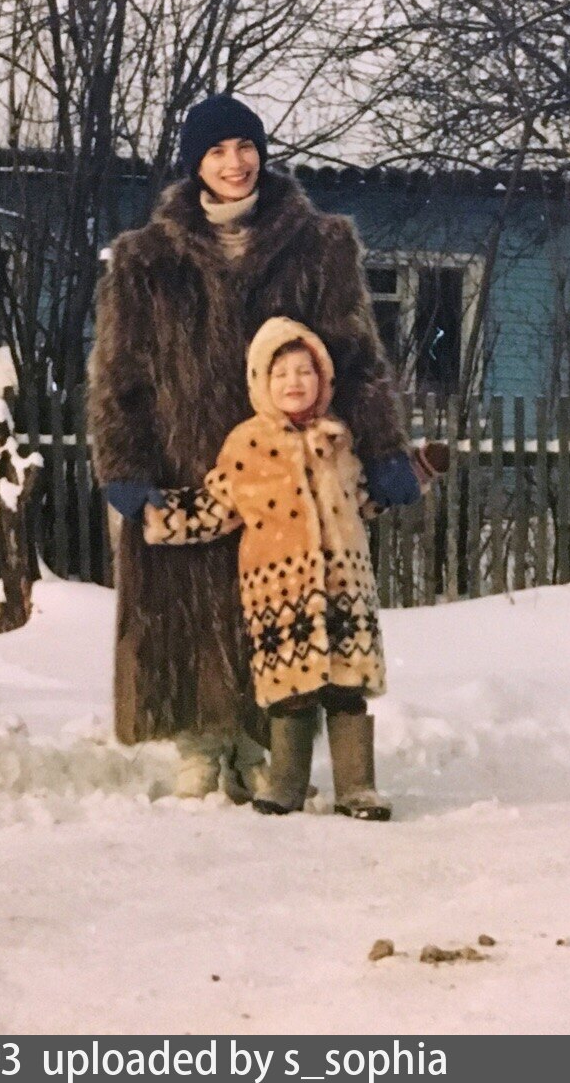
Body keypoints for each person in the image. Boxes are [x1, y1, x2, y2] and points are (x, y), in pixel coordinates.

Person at [86, 93, 418, 800]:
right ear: (195, 164)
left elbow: (355, 356)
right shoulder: (147, 258)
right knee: (185, 601)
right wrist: (123, 464)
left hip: (287, 466)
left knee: (276, 605)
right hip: (182, 457)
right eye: (216, 151)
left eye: (244, 147)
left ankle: (263, 742)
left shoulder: (318, 245)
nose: (234, 163)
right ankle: (199, 745)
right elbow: (120, 374)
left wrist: (385, 447)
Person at [135, 315, 410, 819]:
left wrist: (415, 474)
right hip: (281, 594)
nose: (293, 382)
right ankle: (286, 786)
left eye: (304, 371)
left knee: (348, 692)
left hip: (345, 588)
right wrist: (157, 513)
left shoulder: (339, 440)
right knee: (291, 693)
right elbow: (215, 507)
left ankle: (358, 788)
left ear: (323, 377)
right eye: (280, 373)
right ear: (261, 382)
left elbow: (363, 501)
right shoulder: (247, 445)